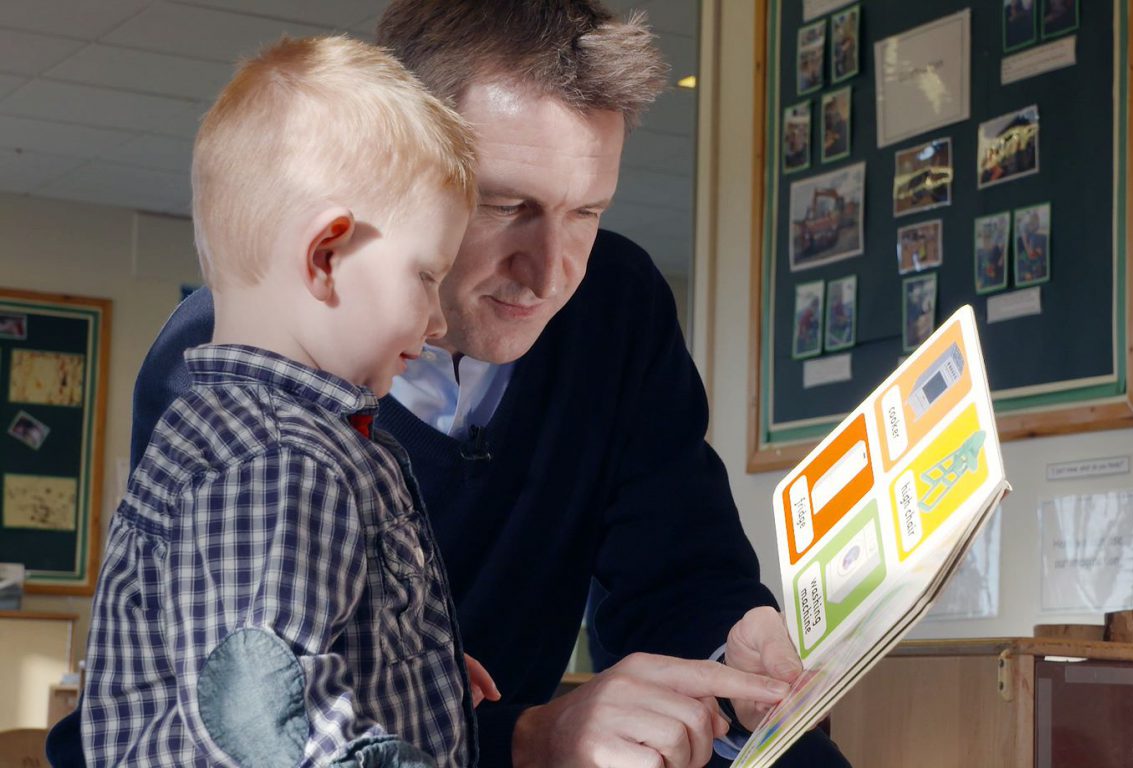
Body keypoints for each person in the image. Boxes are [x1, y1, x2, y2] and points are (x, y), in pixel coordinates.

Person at [49, 3, 850, 767]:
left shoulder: (620, 303)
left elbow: (677, 573)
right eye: (504, 205)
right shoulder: (229, 368)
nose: (551, 274)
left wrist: (735, 643)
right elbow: (247, 703)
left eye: (588, 213)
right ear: (409, 164)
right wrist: (512, 737)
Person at [80, 36, 486, 766]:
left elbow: (256, 643)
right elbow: (257, 710)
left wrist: (408, 663)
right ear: (327, 257)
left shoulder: (241, 433)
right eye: (427, 277)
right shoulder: (277, 458)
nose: (438, 322)